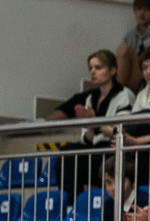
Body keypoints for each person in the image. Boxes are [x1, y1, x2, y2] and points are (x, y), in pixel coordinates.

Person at [44, 51, 137, 197]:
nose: (93, 72)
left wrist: (95, 121)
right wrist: (90, 126)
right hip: (95, 148)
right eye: (91, 68)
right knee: (67, 153)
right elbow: (87, 139)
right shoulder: (90, 98)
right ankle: (71, 204)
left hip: (113, 148)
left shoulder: (124, 94)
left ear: (112, 71)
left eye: (98, 68)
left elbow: (121, 132)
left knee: (96, 160)